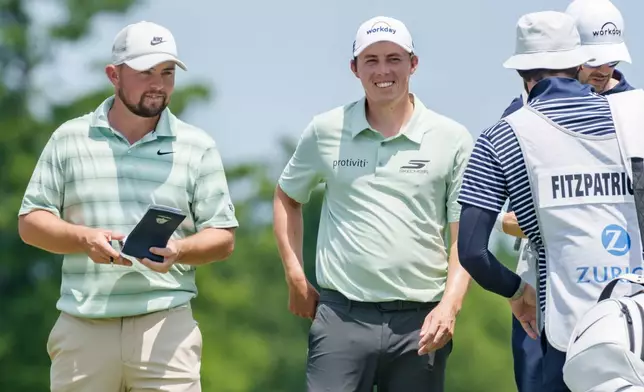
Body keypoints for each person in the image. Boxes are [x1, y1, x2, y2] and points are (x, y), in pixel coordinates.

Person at [18, 21, 238, 392]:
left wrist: (180, 249)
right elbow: (31, 222)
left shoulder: (197, 145)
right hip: (83, 327)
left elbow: (223, 236)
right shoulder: (69, 139)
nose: (158, 84)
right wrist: (83, 239)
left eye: (167, 73)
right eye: (145, 72)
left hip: (166, 328)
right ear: (114, 75)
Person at [272, 15, 473, 392]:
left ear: (413, 64)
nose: (384, 70)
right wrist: (295, 275)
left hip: (422, 320)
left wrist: (450, 306)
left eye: (394, 59)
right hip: (341, 316)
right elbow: (287, 197)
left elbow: (465, 234)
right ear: (355, 68)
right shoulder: (325, 130)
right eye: (372, 60)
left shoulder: (453, 138)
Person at [457, 10, 643, 392]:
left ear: (521, 72)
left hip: (560, 326)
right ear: (579, 63)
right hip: (635, 324)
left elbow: (472, 252)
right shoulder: (635, 116)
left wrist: (515, 291)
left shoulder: (500, 136)